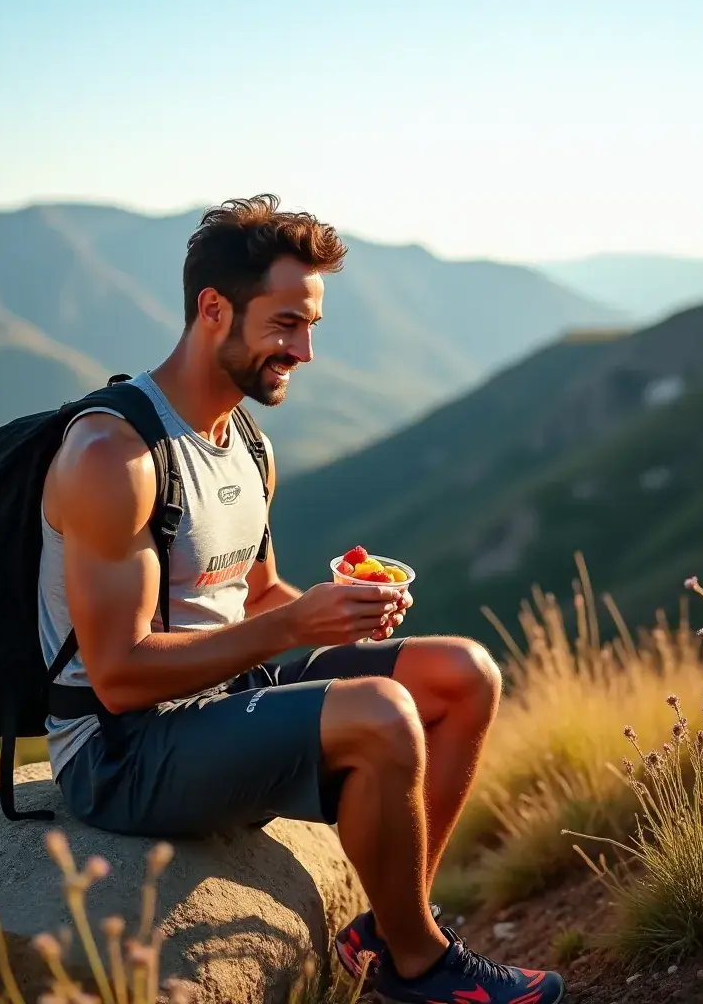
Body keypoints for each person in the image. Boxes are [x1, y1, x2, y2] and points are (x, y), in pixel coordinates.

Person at [37, 194, 566, 1004]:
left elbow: (257, 596)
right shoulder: (116, 456)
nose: (307, 350)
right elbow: (118, 675)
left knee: (466, 674)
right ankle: (418, 964)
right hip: (121, 752)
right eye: (287, 323)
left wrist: (339, 607)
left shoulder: (245, 441)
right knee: (383, 713)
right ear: (214, 310)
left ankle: (386, 930)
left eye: (312, 324)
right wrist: (292, 623)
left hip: (218, 699)